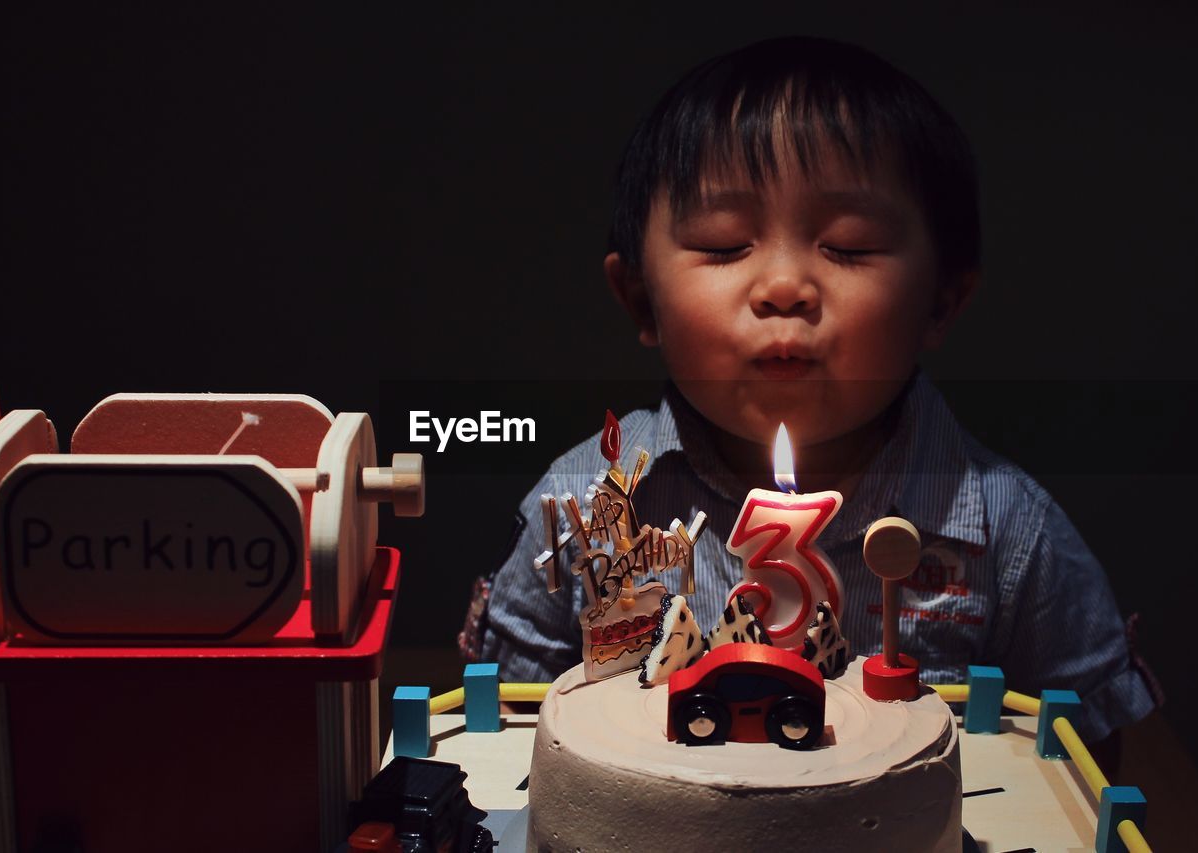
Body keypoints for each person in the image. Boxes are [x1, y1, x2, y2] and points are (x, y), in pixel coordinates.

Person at [471, 36, 1155, 746]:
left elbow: (1095, 762)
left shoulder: (1009, 530)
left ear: (943, 300)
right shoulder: (587, 502)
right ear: (641, 301)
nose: (784, 287)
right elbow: (507, 729)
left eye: (850, 245)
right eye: (724, 243)